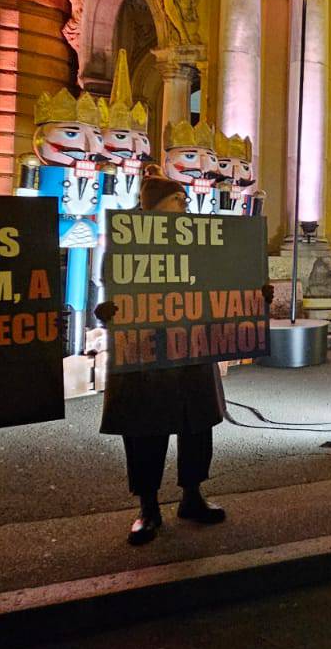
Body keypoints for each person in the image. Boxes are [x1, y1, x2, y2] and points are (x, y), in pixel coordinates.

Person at [97, 175, 233, 544]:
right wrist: (107, 311)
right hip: (144, 350)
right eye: (178, 199)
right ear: (154, 204)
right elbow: (111, 285)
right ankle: (148, 507)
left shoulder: (196, 240)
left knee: (195, 425)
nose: (185, 205)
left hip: (190, 347)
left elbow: (220, 282)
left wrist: (253, 294)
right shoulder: (125, 240)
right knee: (145, 428)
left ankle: (192, 495)